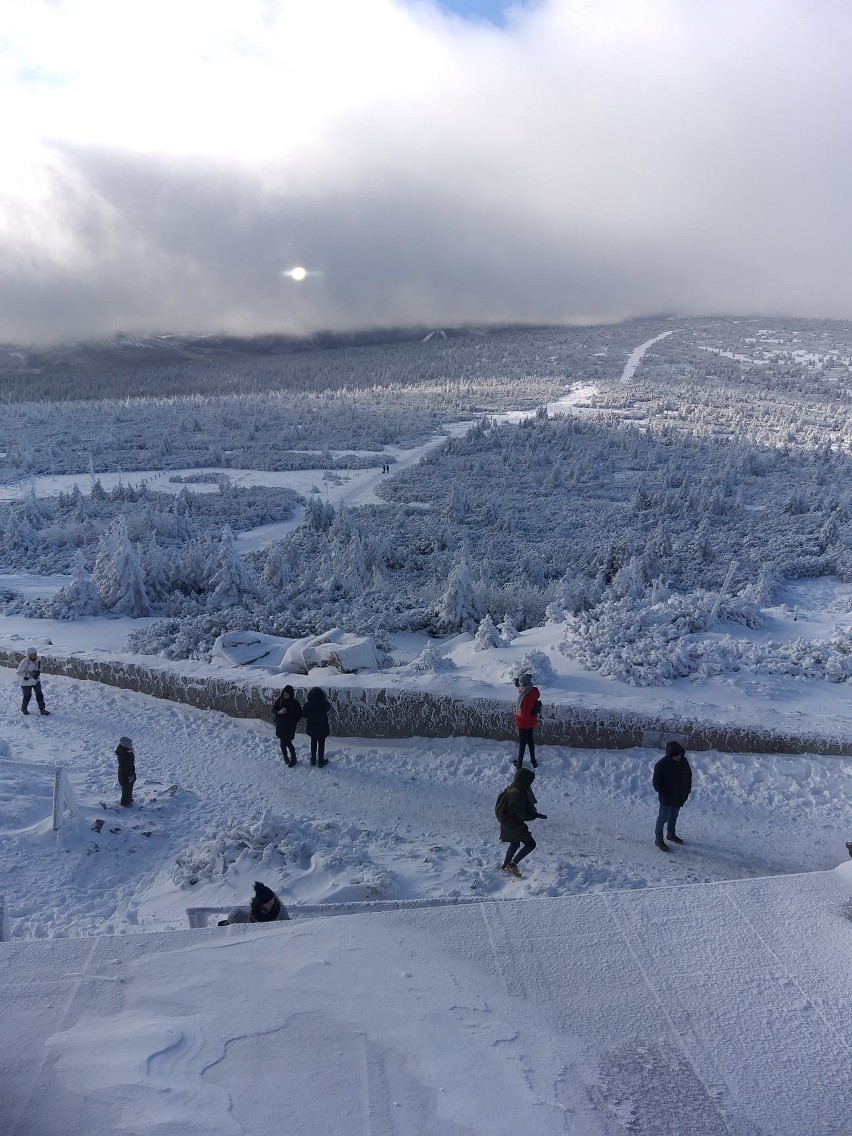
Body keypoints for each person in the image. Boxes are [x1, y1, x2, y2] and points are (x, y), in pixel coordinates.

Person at [499, 766, 547, 878]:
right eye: (529, 781)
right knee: (530, 844)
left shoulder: (514, 787)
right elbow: (523, 816)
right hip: (515, 825)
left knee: (514, 843)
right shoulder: (518, 795)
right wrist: (534, 816)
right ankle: (511, 864)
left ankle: (505, 866)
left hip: (506, 822)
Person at [652, 740, 692, 851]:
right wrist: (664, 795)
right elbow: (656, 783)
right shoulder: (661, 765)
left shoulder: (684, 761)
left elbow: (688, 776)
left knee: (674, 817)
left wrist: (687, 791)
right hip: (666, 798)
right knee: (663, 818)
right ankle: (658, 839)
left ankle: (671, 834)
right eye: (676, 755)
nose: (679, 757)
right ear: (670, 755)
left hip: (679, 797)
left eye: (680, 754)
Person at [218, 881, 289, 926]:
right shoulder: (254, 911)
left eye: (272, 900)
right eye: (268, 902)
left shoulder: (280, 910)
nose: (272, 903)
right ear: (261, 904)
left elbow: (287, 925)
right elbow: (248, 925)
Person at [513, 672, 541, 769]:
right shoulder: (532, 691)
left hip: (523, 723)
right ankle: (533, 760)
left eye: (520, 685)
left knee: (522, 743)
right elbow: (523, 692)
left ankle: (519, 763)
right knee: (530, 740)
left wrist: (517, 717)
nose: (519, 687)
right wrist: (518, 684)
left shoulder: (525, 698)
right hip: (531, 721)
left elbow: (524, 714)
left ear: (524, 686)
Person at [273, 685, 303, 767]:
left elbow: (299, 714)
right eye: (284, 694)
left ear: (291, 694)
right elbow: (274, 710)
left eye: (287, 694)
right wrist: (279, 712)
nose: (285, 695)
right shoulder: (280, 700)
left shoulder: (294, 703)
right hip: (280, 726)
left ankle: (294, 758)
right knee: (282, 743)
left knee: (288, 743)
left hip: (289, 727)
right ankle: (285, 757)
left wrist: (293, 721)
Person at [17, 646, 49, 715]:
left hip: (36, 680)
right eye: (32, 654)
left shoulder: (38, 659)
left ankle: (42, 709)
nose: (35, 655)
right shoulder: (24, 662)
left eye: (35, 653)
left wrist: (37, 672)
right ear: (29, 655)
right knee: (27, 696)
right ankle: (24, 708)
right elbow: (19, 673)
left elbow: (40, 667)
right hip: (26, 683)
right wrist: (28, 674)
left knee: (39, 695)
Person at [303, 686, 331, 767]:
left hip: (312, 728)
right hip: (322, 728)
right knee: (321, 744)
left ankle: (313, 759)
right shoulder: (325, 704)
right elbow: (328, 709)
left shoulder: (308, 705)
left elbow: (303, 714)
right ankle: (321, 760)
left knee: (313, 743)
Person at [115, 736, 136, 807]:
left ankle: (129, 799)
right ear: (126, 746)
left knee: (129, 788)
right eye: (130, 744)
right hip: (126, 776)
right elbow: (128, 768)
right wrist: (130, 776)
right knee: (126, 789)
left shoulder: (124, 751)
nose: (132, 745)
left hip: (125, 774)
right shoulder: (125, 756)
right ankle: (125, 803)